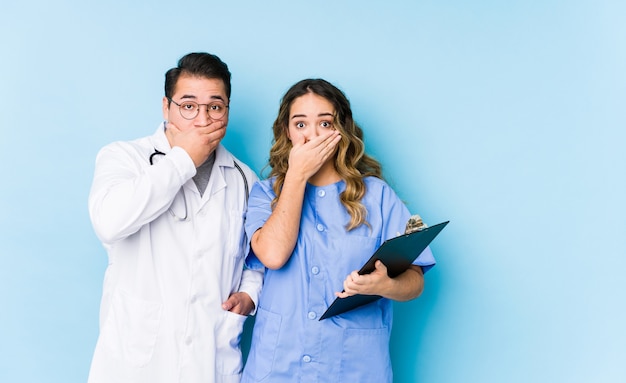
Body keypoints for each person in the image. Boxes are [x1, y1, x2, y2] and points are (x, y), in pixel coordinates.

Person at [241, 79, 436, 383]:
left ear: (341, 130)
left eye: (325, 123)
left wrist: (384, 286)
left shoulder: (379, 196)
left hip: (355, 368)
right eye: (301, 124)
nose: (313, 135)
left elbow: (415, 281)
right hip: (278, 367)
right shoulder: (265, 194)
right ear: (286, 132)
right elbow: (273, 255)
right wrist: (296, 175)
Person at [87, 52, 262, 383]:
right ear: (166, 108)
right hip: (137, 359)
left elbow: (257, 255)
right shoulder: (124, 157)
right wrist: (182, 159)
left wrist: (250, 293)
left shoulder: (244, 178)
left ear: (227, 111)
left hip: (211, 360)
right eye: (188, 105)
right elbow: (108, 222)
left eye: (215, 106)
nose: (202, 118)